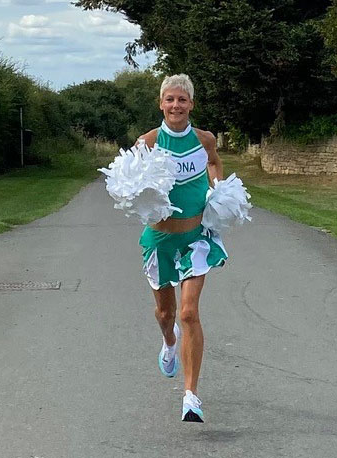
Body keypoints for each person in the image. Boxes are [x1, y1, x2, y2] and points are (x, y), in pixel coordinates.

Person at [138, 74, 228, 422]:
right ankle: (170, 342)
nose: (176, 105)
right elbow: (131, 186)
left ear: (191, 104)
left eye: (183, 100)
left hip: (196, 238)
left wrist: (217, 189)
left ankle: (191, 395)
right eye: (170, 99)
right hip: (160, 240)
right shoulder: (148, 141)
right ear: (161, 104)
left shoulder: (204, 139)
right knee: (166, 314)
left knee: (189, 312)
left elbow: (214, 163)